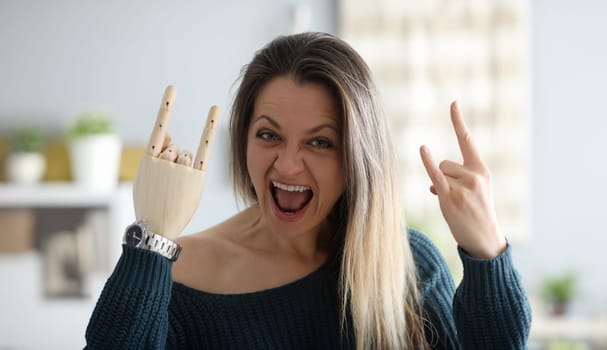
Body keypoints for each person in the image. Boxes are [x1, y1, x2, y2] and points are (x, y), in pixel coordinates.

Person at [85, 32, 531, 349]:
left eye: (320, 142)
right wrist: (153, 234)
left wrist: (487, 251)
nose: (288, 163)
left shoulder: (407, 263)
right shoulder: (179, 274)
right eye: (268, 135)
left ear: (356, 157)